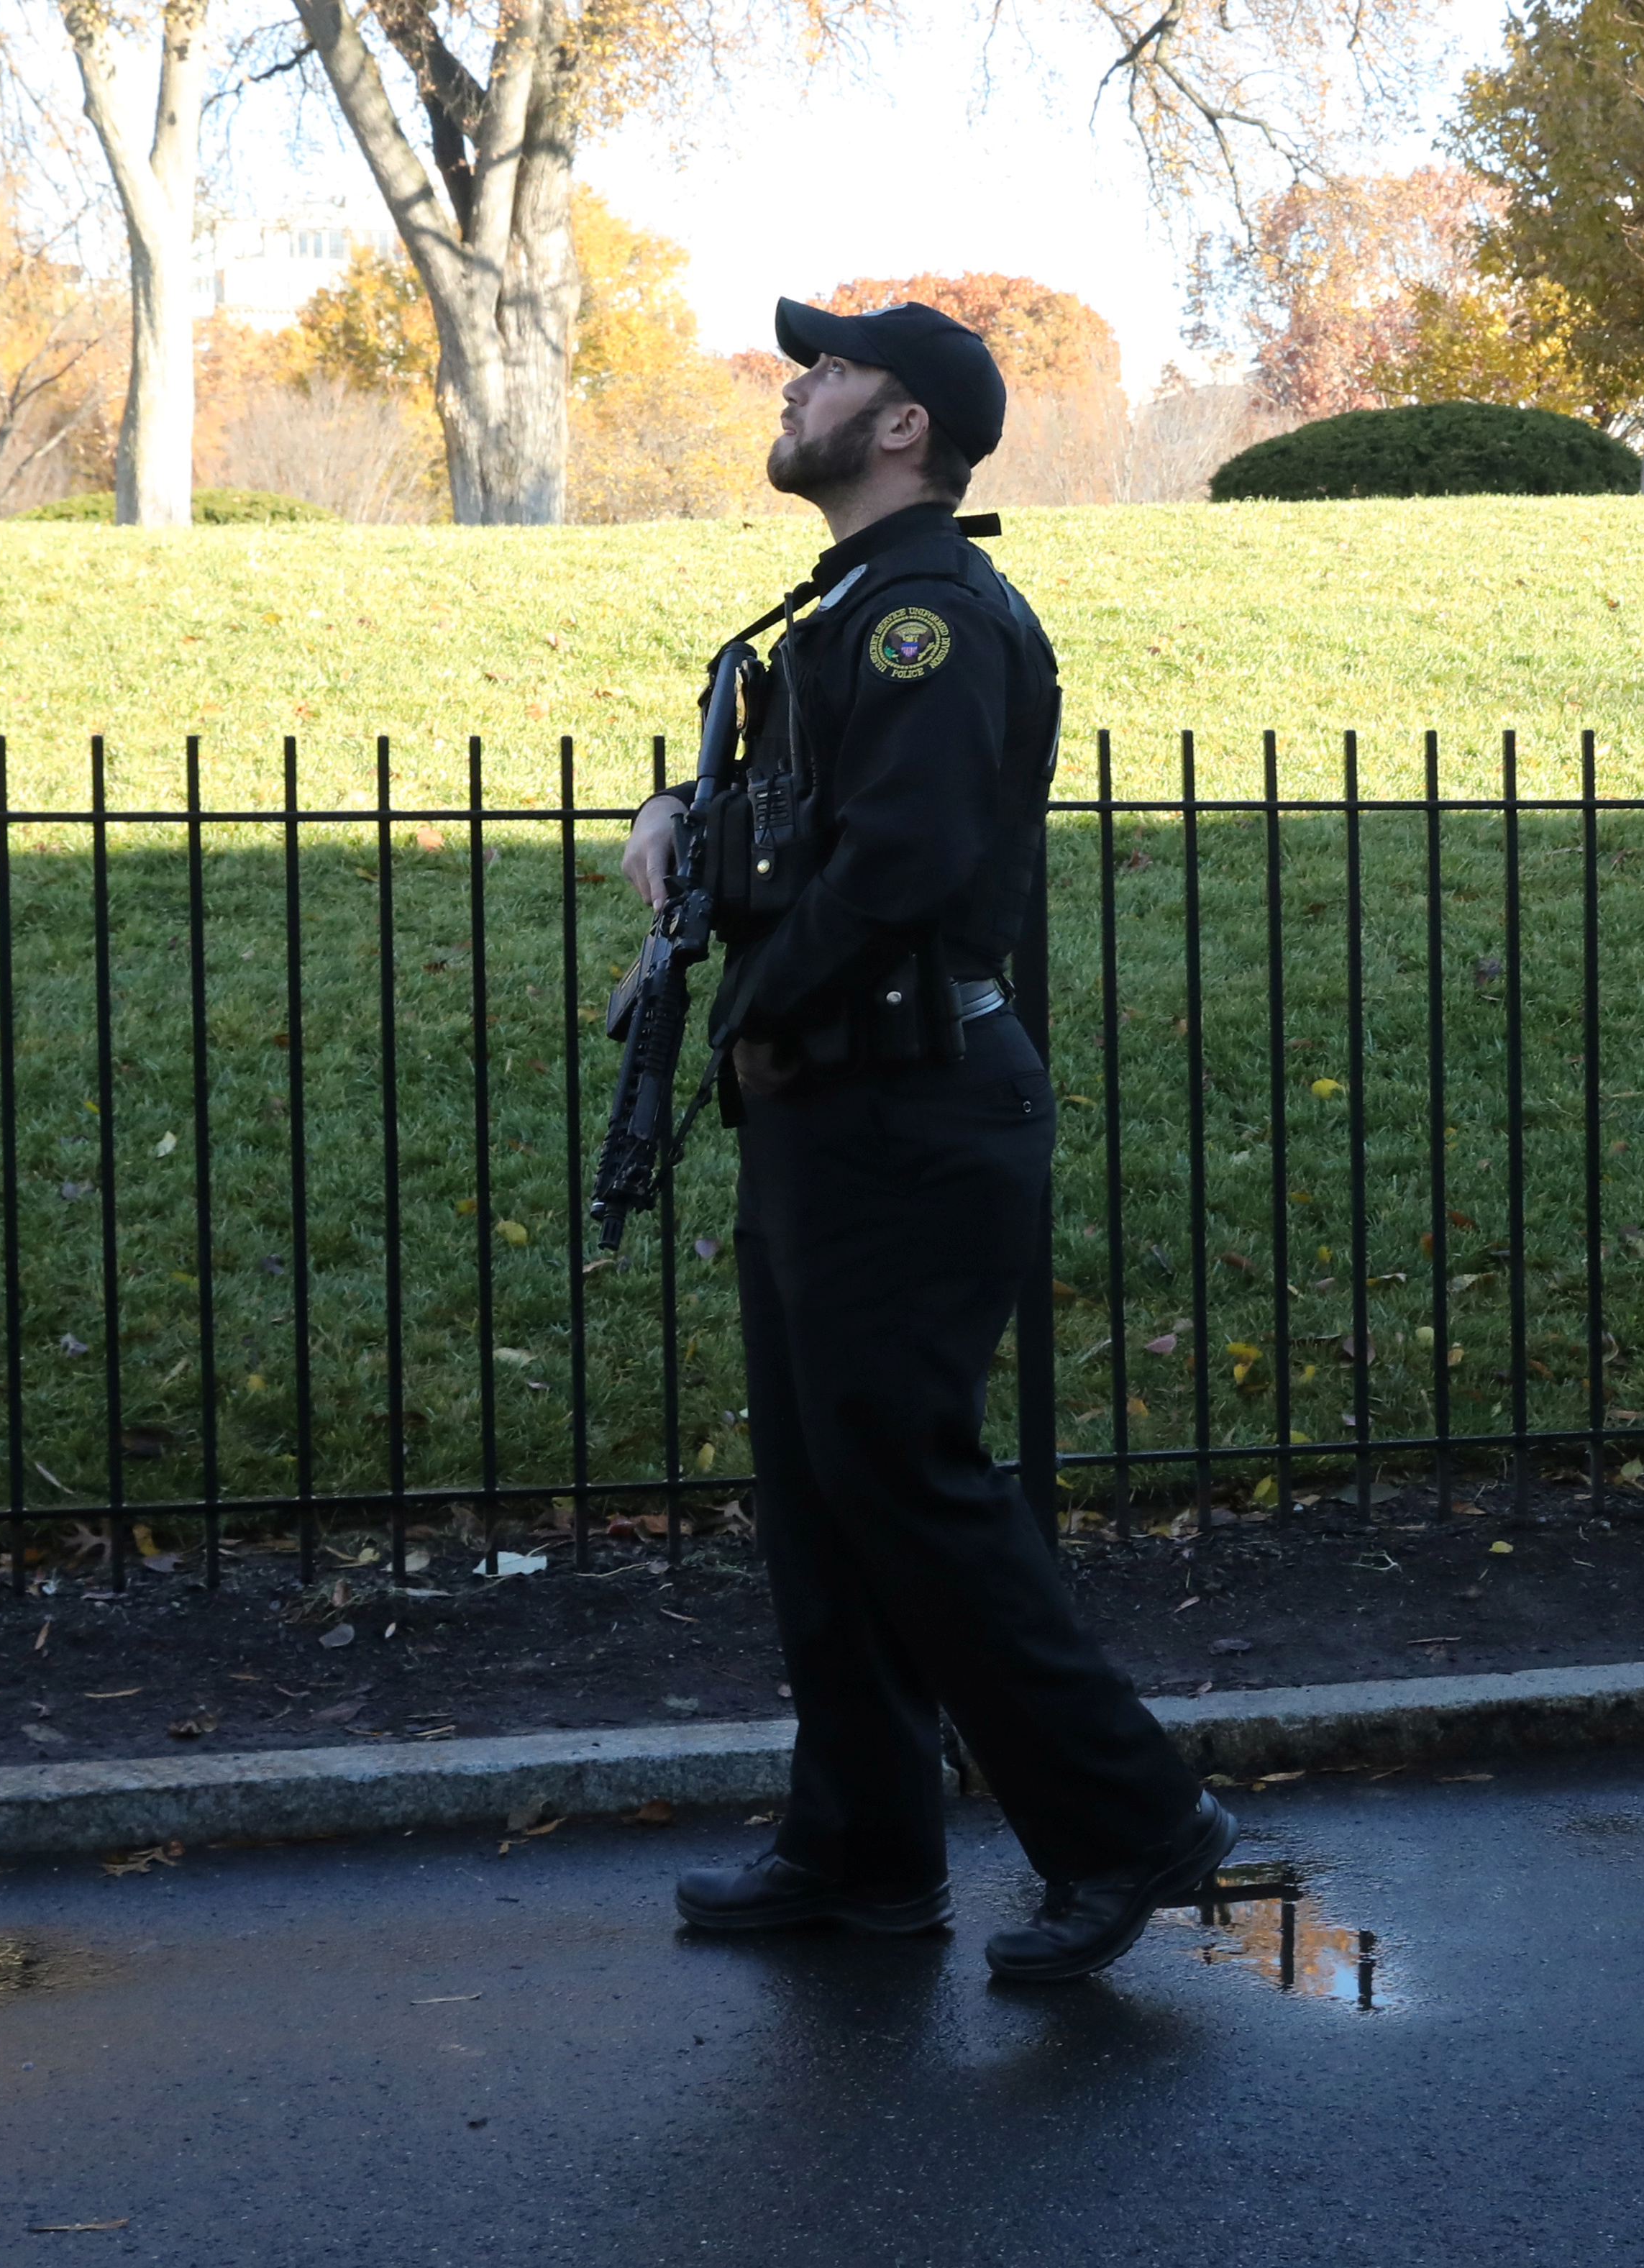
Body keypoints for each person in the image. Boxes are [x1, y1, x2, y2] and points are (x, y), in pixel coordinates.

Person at [619, 298, 1235, 1985]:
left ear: (902, 428)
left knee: (918, 1492)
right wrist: (682, 818)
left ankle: (1133, 1827)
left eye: (827, 372)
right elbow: (807, 824)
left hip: (907, 1105)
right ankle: (866, 1850)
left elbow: (899, 867)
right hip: (832, 1104)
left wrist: (749, 1006)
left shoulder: (932, 622)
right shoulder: (846, 611)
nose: (795, 386)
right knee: (830, 1499)